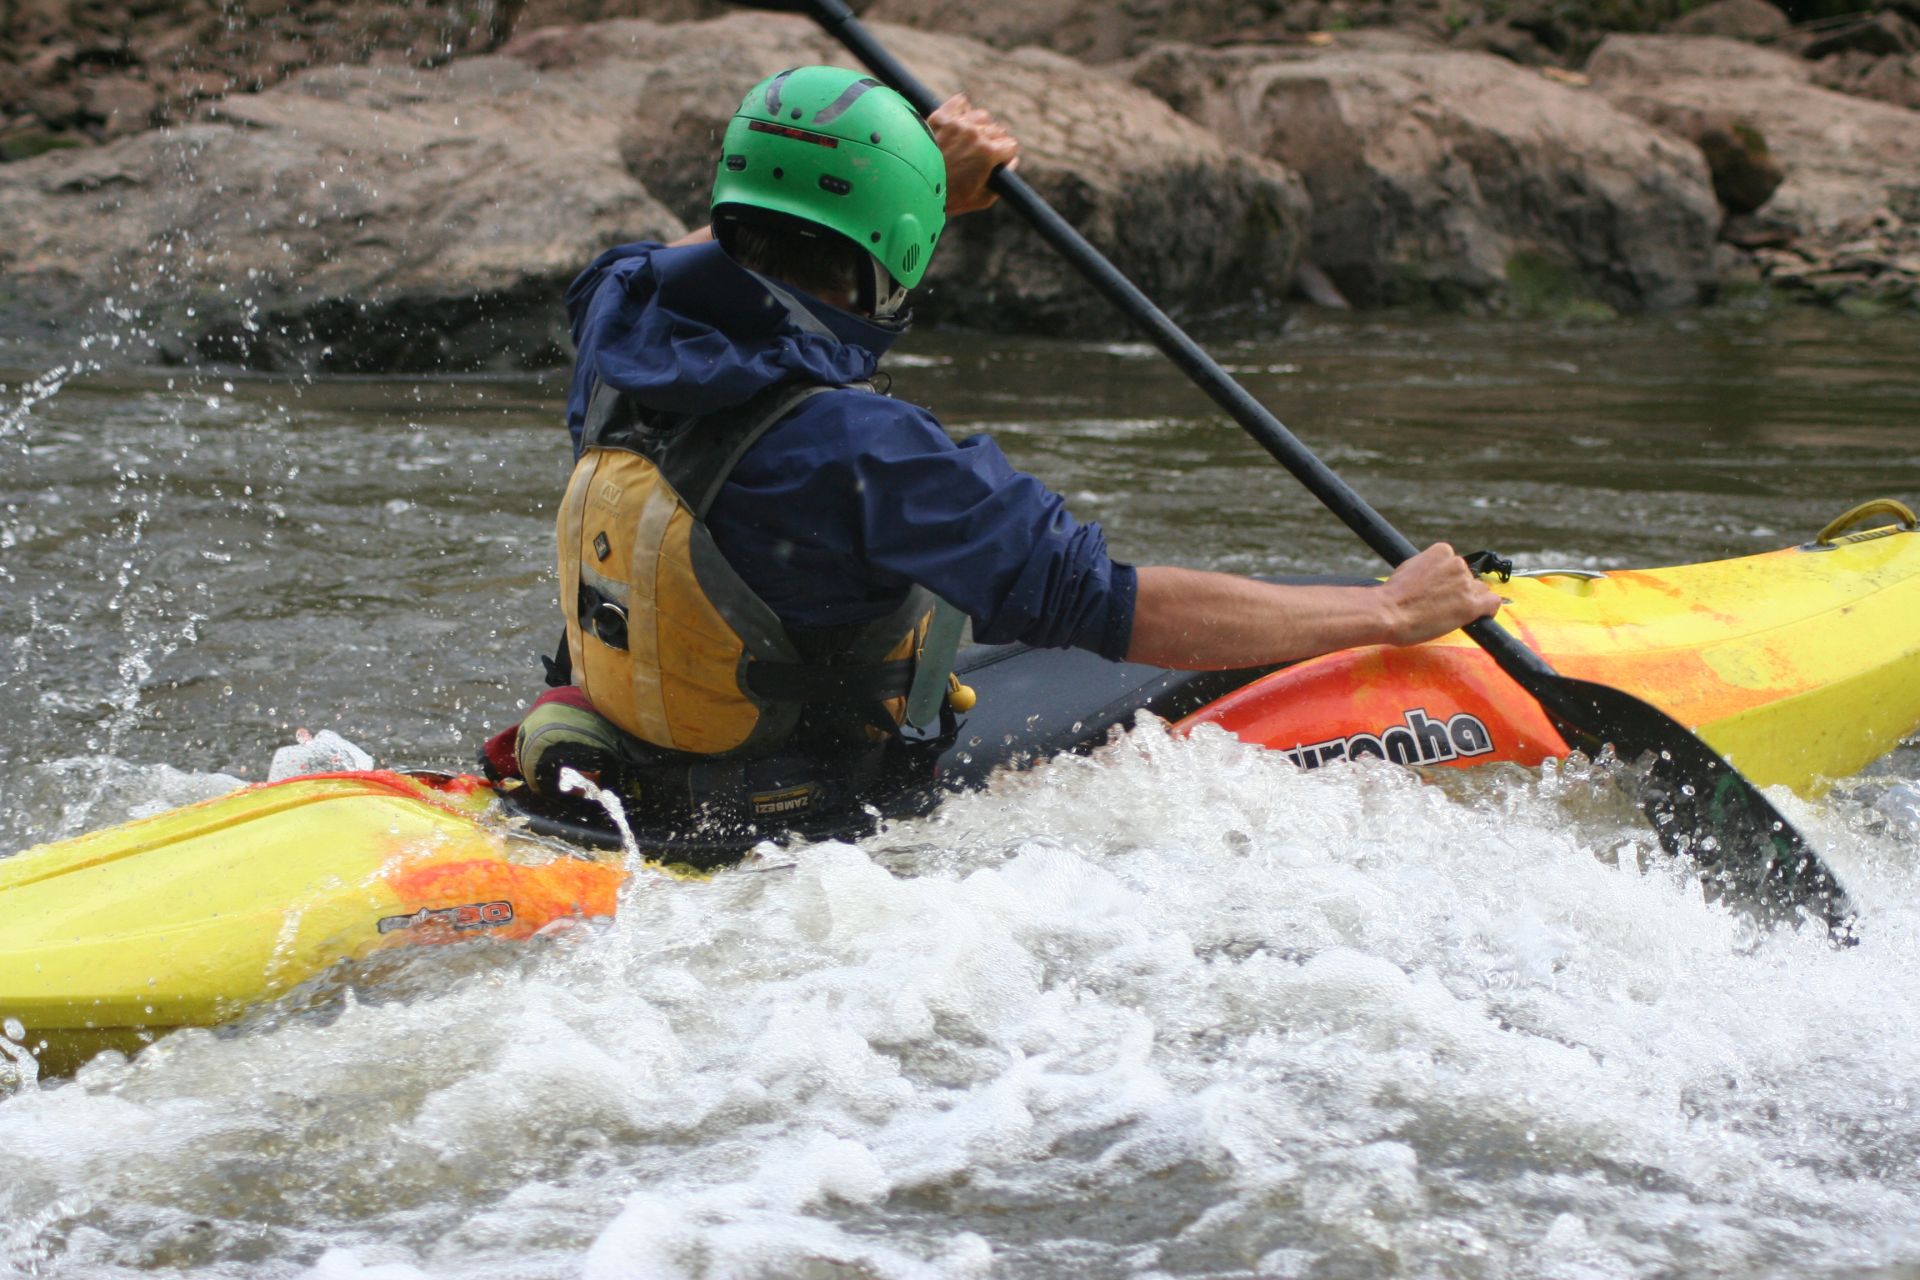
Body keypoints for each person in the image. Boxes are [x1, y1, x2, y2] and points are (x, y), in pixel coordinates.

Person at [482, 66, 1500, 847]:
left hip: (639, 764)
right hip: (801, 808)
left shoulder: (616, 323)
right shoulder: (866, 451)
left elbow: (675, 264)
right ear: (895, 251)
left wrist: (913, 179)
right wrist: (1385, 612)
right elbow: (1115, 607)